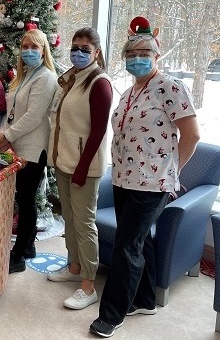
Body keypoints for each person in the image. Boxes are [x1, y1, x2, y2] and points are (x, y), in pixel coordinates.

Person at [89, 17, 200, 338]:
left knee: (126, 247)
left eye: (144, 53)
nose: (137, 58)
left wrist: (172, 173)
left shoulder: (170, 87)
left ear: (156, 55)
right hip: (124, 180)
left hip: (152, 185)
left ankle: (112, 314)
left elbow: (191, 134)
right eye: (131, 53)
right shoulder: (130, 91)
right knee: (139, 241)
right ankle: (146, 299)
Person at [46, 27, 113, 310]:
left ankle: (88, 285)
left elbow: (98, 131)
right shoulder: (74, 78)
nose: (78, 53)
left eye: (85, 49)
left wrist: (83, 168)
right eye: (75, 47)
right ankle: (74, 267)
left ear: (96, 52)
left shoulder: (99, 83)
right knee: (70, 221)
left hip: (83, 167)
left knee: (85, 225)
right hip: (64, 162)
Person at [0, 29, 58, 273]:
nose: (29, 51)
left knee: (26, 200)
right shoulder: (24, 76)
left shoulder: (46, 77)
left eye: (35, 47)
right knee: (23, 198)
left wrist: (7, 136)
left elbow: (34, 116)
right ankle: (29, 246)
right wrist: (7, 136)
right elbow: (13, 112)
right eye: (26, 46)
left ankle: (19, 254)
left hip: (33, 148)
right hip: (17, 146)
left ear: (44, 51)